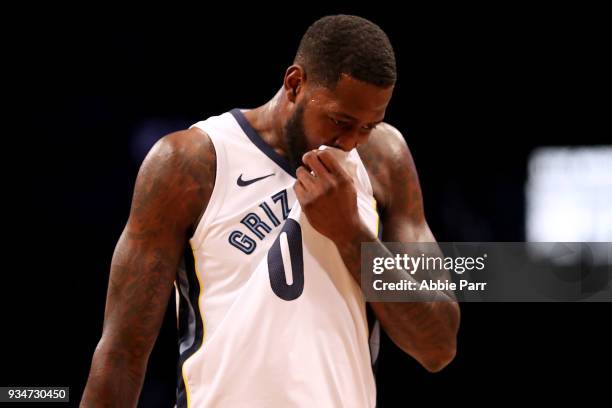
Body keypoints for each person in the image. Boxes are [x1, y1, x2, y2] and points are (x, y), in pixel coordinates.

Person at [81, 14, 460, 408]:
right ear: (295, 84)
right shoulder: (191, 163)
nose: (350, 142)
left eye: (368, 126)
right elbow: (121, 354)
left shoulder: (384, 159)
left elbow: (438, 344)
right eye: (340, 121)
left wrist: (352, 235)